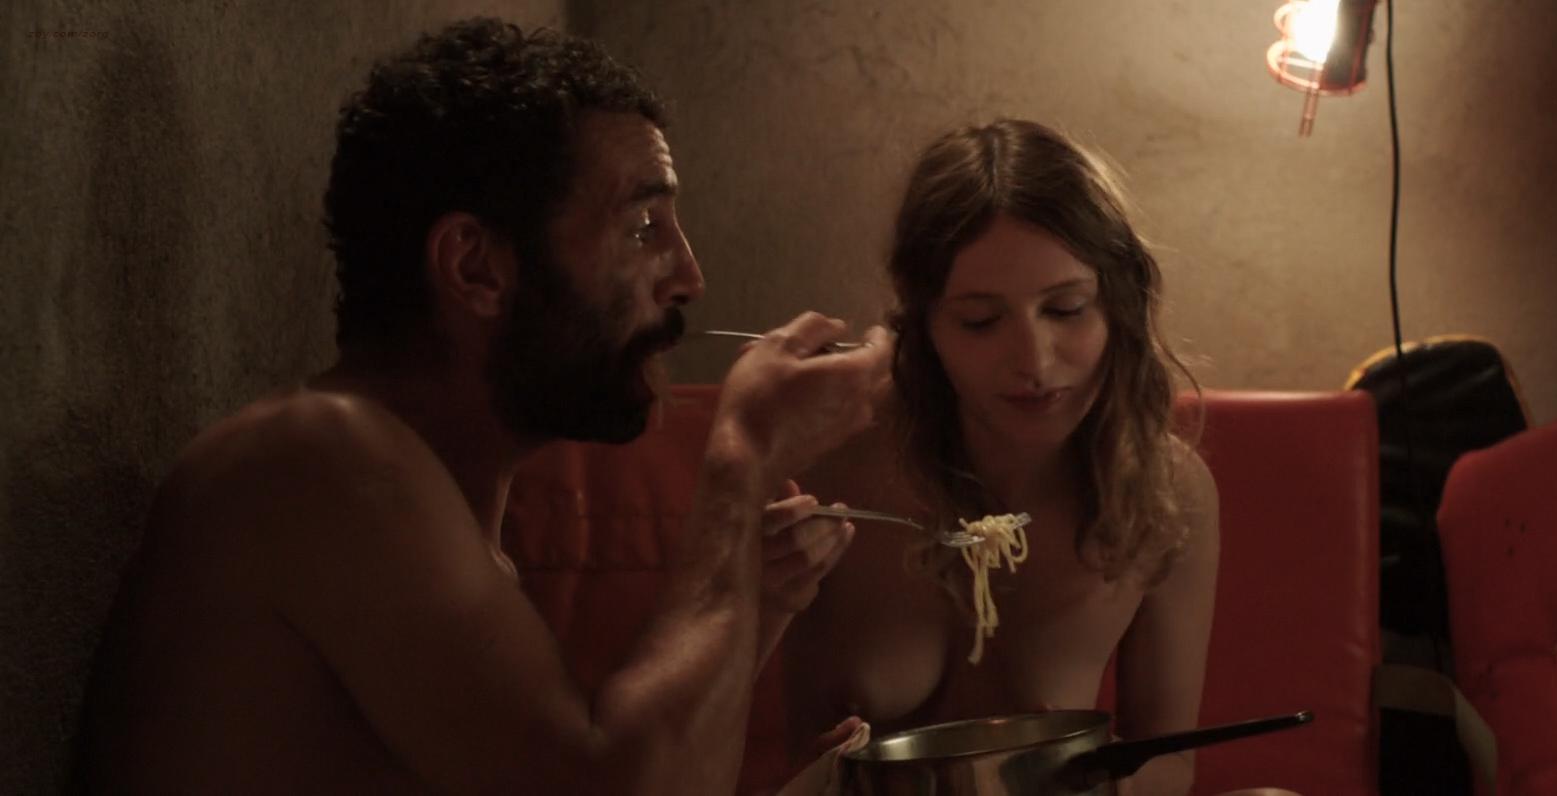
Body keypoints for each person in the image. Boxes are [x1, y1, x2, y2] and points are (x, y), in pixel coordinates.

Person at [75, 18, 887, 794]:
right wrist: (742, 457)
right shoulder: (316, 459)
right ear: (475, 268)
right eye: (643, 226)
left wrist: (752, 604)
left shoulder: (446, 516)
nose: (688, 276)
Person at [782, 119, 1223, 796]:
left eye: (1067, 309)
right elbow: (772, 749)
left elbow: (1172, 759)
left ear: (1119, 304)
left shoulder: (1165, 491)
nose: (1034, 363)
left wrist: (1097, 788)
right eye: (981, 321)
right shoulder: (835, 466)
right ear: (924, 325)